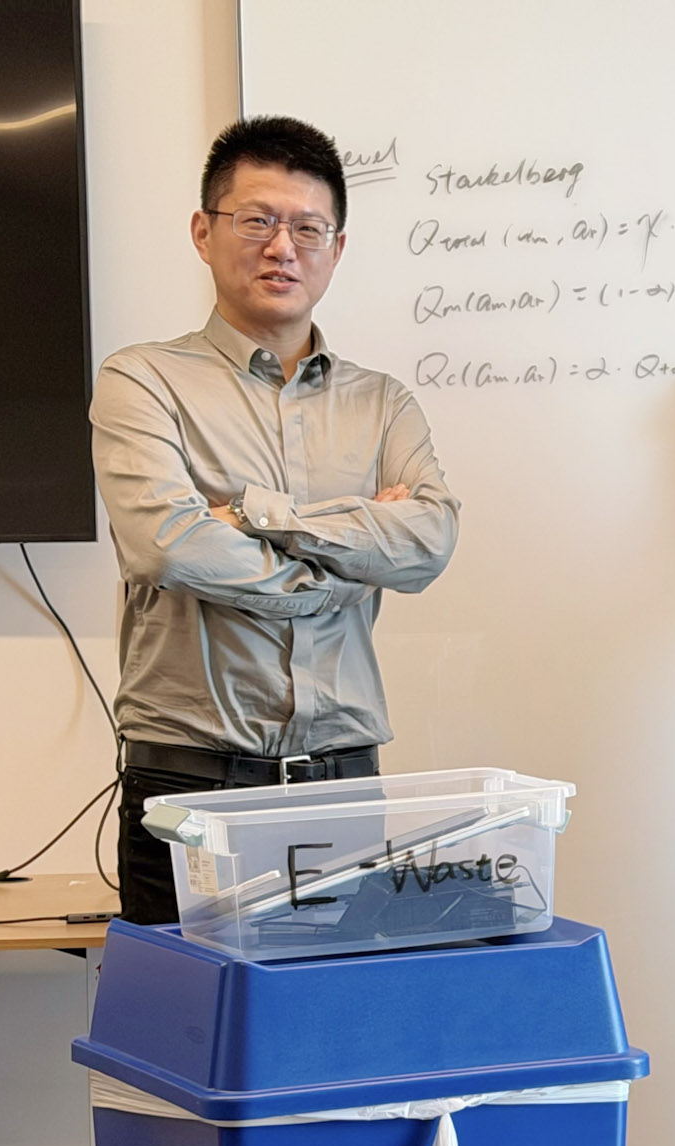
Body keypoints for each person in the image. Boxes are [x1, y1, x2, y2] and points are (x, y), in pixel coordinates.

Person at [92, 116, 459, 928]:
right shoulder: (142, 381)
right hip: (190, 788)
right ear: (204, 230)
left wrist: (260, 515)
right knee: (185, 1048)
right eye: (256, 219)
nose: (281, 246)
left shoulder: (383, 402)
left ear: (336, 246)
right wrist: (342, 563)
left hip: (341, 783)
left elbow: (429, 541)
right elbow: (170, 544)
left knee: (331, 1044)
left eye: (307, 227)